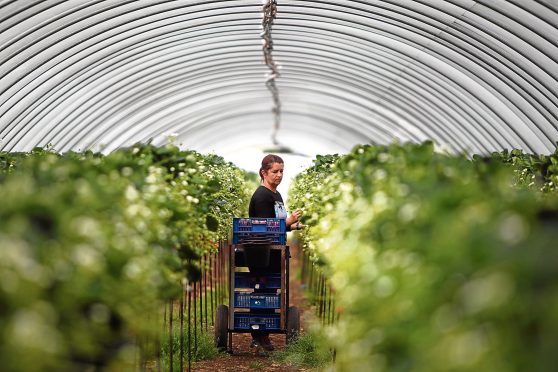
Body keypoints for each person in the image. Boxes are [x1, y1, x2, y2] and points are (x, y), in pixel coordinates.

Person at [247, 154, 304, 351]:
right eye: (275, 171)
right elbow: (266, 227)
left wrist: (292, 226)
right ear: (264, 172)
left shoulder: (276, 195)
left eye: (282, 171)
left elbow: (277, 225)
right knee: (261, 293)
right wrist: (286, 222)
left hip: (273, 252)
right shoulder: (262, 196)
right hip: (261, 254)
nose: (279, 175)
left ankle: (263, 336)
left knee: (270, 292)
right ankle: (258, 336)